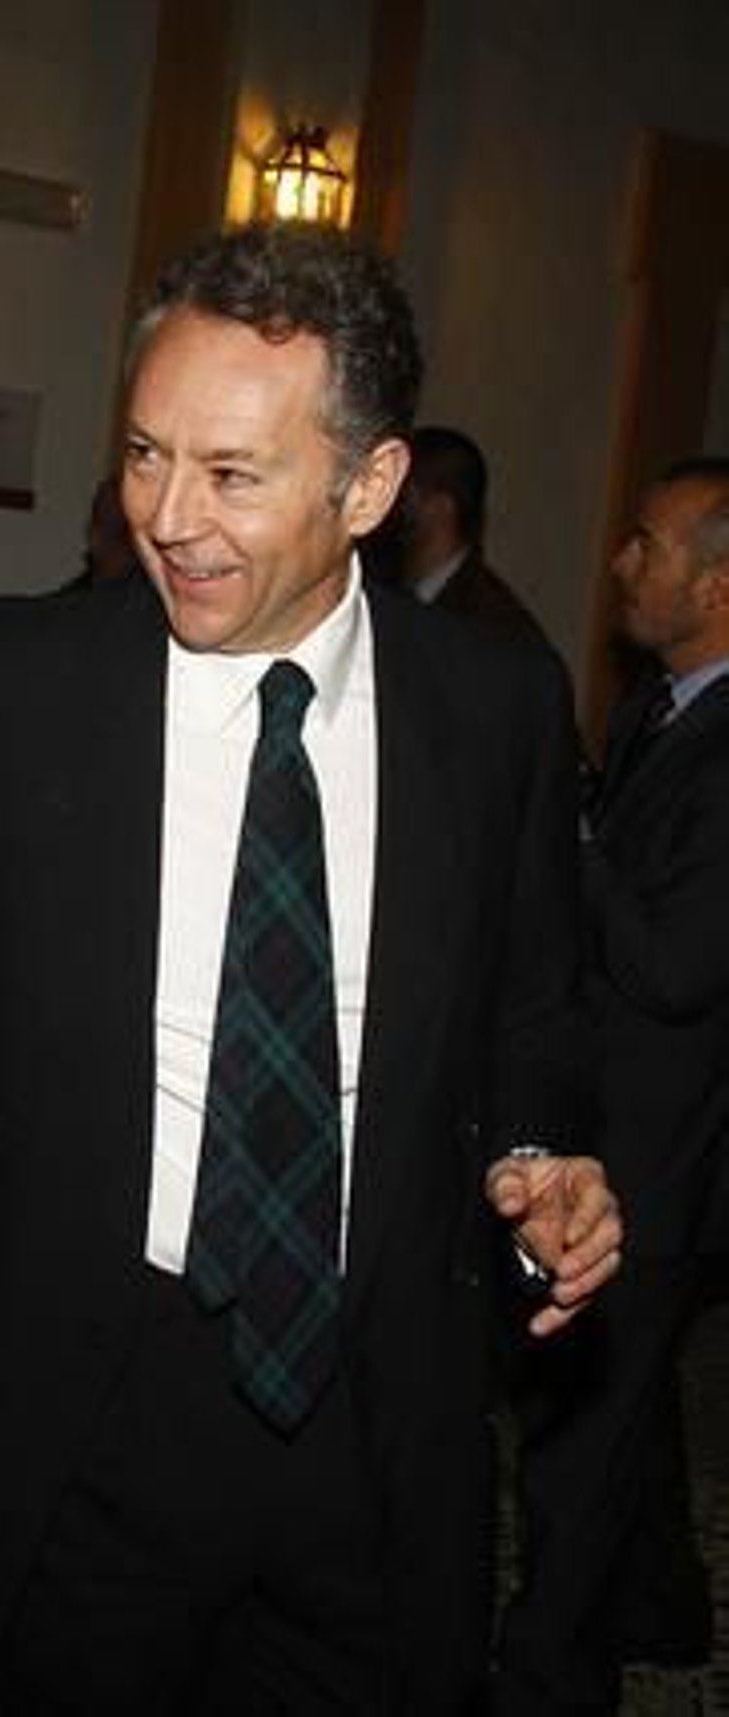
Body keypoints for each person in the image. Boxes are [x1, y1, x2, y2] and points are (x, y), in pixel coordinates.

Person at [0, 224, 622, 1715]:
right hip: (74, 1383)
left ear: (369, 486)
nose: (169, 517)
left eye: (233, 474)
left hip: (380, 1415)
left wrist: (542, 1155)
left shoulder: (497, 707)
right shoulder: (3, 687)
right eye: (144, 455)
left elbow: (537, 1014)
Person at [496, 457, 729, 1714]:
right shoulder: (664, 705)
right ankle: (662, 1601)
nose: (621, 563)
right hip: (619, 1119)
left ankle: (550, 1677)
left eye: (646, 543)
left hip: (663, 1144)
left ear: (718, 581)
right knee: (627, 1414)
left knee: (578, 1442)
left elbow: (674, 966)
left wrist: (572, 839)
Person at [368, 423, 549, 646]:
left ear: (440, 507)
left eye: (404, 491)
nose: (387, 502)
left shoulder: (491, 625)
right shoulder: (382, 585)